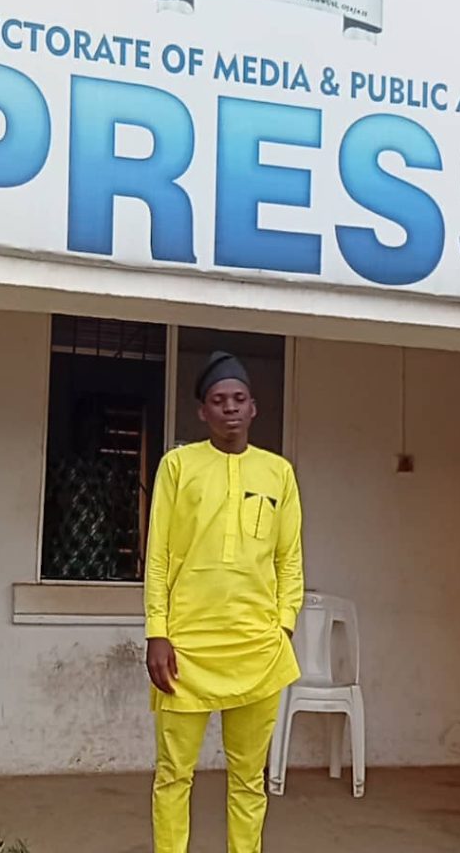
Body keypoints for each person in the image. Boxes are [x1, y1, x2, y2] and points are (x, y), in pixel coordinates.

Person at [144, 350, 304, 853]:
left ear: (253, 407)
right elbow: (158, 556)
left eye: (238, 398)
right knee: (173, 774)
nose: (229, 408)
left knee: (249, 778)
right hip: (185, 649)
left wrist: (283, 626)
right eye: (218, 400)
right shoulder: (178, 466)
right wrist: (157, 632)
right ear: (202, 411)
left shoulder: (278, 473)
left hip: (257, 649)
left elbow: (289, 560)